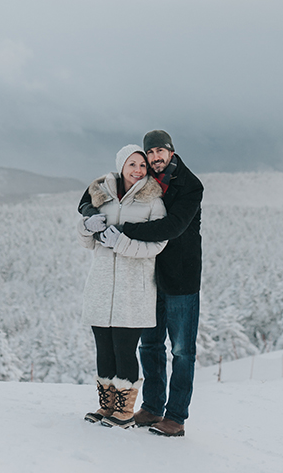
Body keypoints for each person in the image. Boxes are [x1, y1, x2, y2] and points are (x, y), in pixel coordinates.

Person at [79, 130, 203, 438]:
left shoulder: (189, 185)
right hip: (147, 278)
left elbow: (172, 227)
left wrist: (121, 231)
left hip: (180, 277)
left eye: (162, 151)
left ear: (171, 153)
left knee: (182, 350)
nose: (156, 158)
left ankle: (175, 417)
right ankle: (151, 407)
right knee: (149, 345)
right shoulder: (145, 182)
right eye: (151, 153)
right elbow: (88, 198)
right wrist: (89, 216)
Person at [77, 144, 167, 428]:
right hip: (102, 284)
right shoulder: (102, 196)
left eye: (142, 165)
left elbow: (158, 244)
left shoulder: (153, 200)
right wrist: (86, 227)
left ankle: (124, 410)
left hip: (133, 287)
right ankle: (106, 407)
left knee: (124, 349)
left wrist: (122, 243)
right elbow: (87, 242)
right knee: (103, 348)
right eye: (132, 164)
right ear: (121, 166)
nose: (139, 170)